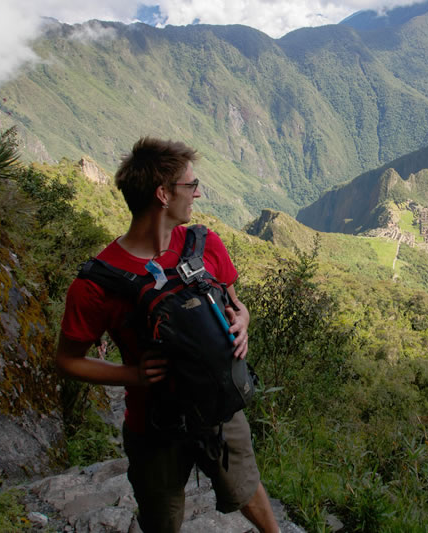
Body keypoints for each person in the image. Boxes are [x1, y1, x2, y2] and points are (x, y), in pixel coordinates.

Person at [55, 137, 279, 533]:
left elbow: (232, 303)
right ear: (162, 194)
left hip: (219, 406)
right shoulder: (96, 285)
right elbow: (67, 360)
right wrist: (134, 375)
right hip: (153, 424)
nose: (197, 193)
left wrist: (243, 320)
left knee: (246, 486)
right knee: (162, 516)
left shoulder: (204, 244)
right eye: (189, 185)